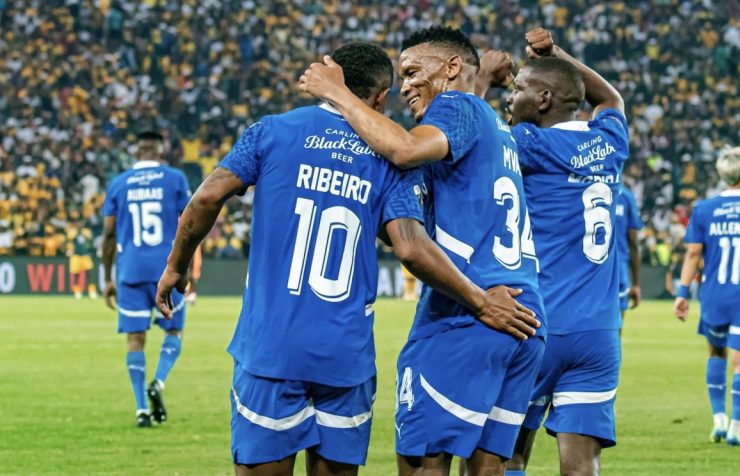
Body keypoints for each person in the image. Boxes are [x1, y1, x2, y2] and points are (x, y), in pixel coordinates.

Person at [156, 41, 537, 476]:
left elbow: (206, 197)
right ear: (380, 97)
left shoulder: (272, 131)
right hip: (346, 357)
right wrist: (479, 299)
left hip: (271, 349)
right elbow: (409, 245)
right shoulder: (387, 159)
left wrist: (176, 266)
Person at [299, 27, 545, 476]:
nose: (405, 86)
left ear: (451, 68)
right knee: (489, 466)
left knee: (423, 462)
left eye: (413, 72)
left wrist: (337, 93)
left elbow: (406, 149)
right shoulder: (493, 126)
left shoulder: (455, 106)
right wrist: (482, 77)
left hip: (470, 311)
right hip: (523, 313)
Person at [478, 28, 629, 475]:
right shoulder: (610, 142)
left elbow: (471, 133)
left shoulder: (527, 143)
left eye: (519, 88)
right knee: (581, 466)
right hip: (599, 332)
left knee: (506, 456)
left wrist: (483, 78)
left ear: (543, 99)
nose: (511, 96)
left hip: (535, 322)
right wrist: (558, 55)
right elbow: (611, 99)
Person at [675, 146, 740, 448]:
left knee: (716, 354)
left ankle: (718, 421)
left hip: (713, 295)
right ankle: (736, 429)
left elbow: (693, 253)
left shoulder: (704, 209)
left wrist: (682, 293)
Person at [102, 130, 191, 427]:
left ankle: (141, 409)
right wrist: (186, 268)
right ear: (160, 152)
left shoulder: (118, 183)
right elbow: (189, 223)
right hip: (167, 269)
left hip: (130, 271)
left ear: (137, 152)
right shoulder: (175, 178)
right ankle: (159, 381)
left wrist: (107, 278)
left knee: (135, 339)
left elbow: (109, 234)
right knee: (173, 331)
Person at [615, 182, 643, 322]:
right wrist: (636, 284)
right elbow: (633, 242)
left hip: (589, 266)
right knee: (616, 322)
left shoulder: (584, 187)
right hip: (618, 267)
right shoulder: (625, 196)